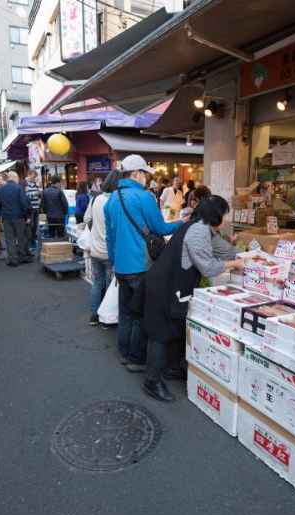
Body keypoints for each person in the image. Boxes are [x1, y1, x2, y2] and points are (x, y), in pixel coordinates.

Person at [142, 196, 244, 401]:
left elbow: (226, 250)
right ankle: (152, 381)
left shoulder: (204, 228)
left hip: (173, 285)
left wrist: (249, 256)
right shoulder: (198, 231)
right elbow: (208, 267)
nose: (226, 218)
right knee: (160, 334)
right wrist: (235, 265)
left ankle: (171, 368)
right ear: (216, 215)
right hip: (165, 286)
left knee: (175, 328)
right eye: (224, 214)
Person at [104, 154, 183, 372]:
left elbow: (110, 237)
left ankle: (124, 351)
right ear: (137, 174)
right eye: (145, 174)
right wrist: (183, 222)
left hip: (120, 266)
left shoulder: (112, 199)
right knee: (140, 314)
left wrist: (113, 262)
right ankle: (136, 358)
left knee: (126, 311)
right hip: (140, 265)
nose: (147, 178)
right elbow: (161, 229)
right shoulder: (144, 197)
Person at [85, 171, 119, 326]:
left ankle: (94, 315)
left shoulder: (96, 199)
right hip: (108, 251)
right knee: (108, 283)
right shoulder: (115, 201)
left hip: (95, 248)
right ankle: (105, 316)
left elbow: (87, 219)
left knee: (97, 282)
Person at [0, 172, 32, 267]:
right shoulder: (18, 188)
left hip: (6, 217)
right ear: (14, 178)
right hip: (19, 217)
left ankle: (12, 259)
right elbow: (24, 203)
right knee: (21, 237)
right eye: (17, 178)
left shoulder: (1, 189)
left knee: (9, 239)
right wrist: (27, 216)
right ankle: (21, 256)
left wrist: (2, 213)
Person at [25, 170, 42, 250]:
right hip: (30, 209)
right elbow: (25, 196)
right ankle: (30, 243)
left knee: (35, 226)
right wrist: (35, 193)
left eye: (35, 176)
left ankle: (33, 241)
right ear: (29, 175)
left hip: (36, 208)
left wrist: (39, 188)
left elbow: (40, 194)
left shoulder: (36, 184)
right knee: (30, 227)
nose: (34, 178)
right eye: (33, 176)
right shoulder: (25, 183)